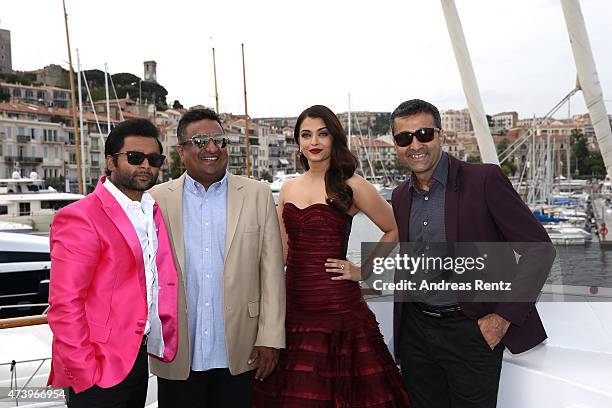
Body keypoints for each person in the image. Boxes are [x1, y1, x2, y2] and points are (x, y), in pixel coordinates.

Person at [390, 99, 554, 408]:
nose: (415, 145)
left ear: (441, 136)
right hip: (416, 333)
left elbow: (539, 249)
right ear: (396, 145)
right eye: (404, 138)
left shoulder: (484, 180)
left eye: (424, 134)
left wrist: (502, 318)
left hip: (470, 331)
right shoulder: (400, 196)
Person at [253, 105, 409, 407]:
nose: (314, 142)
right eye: (306, 135)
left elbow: (393, 229)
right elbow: (281, 252)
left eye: (322, 134)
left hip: (338, 309)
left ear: (334, 138)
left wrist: (363, 271)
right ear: (297, 142)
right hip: (294, 306)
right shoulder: (287, 189)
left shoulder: (352, 185)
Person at [148, 108, 285, 407]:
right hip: (179, 351)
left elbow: (272, 273)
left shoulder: (258, 194)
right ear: (181, 150)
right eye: (200, 141)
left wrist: (271, 338)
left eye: (219, 140)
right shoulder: (156, 199)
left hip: (242, 348)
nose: (211, 148)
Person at [47, 119, 178, 408]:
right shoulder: (81, 217)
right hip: (97, 369)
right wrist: (85, 371)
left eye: (153, 159)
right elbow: (64, 304)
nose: (145, 165)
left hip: (137, 359)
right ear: (111, 161)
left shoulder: (151, 211)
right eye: (134, 157)